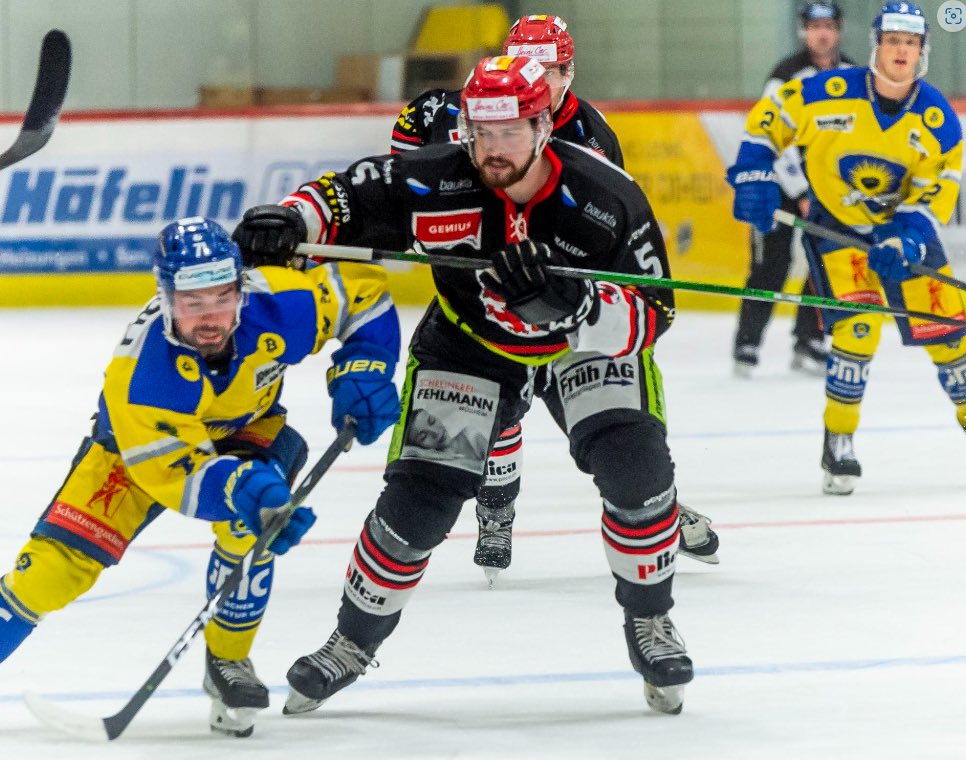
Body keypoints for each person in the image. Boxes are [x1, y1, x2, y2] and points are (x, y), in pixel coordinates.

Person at [234, 55, 696, 715]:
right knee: (418, 505)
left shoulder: (606, 196)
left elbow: (657, 313)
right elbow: (346, 194)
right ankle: (351, 643)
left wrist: (572, 309)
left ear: (543, 126)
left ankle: (650, 619)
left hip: (579, 347)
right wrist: (291, 222)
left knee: (637, 472)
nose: (493, 148)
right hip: (469, 344)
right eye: (481, 131)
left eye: (510, 131)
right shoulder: (434, 178)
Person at [0, 217, 401, 737]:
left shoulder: (279, 304)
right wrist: (242, 489)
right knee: (50, 573)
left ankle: (227, 663)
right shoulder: (140, 377)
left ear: (242, 286)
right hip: (138, 450)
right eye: (192, 303)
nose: (210, 317)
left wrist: (365, 366)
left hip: (248, 426)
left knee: (248, 531)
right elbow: (178, 475)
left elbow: (362, 296)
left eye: (222, 296)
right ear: (165, 297)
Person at [390, 13, 718, 576]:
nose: (543, 81)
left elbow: (610, 235)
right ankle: (496, 514)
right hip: (479, 300)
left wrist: (571, 296)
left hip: (558, 303)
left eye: (554, 70)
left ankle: (655, 509)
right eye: (531, 67)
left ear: (571, 70)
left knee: (605, 424)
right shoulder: (459, 108)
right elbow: (409, 158)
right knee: (483, 409)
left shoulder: (591, 136)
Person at [727, 2, 965, 495]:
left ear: (923, 51)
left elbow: (940, 186)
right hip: (839, 231)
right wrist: (754, 170)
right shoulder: (827, 91)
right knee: (857, 332)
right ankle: (839, 440)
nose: (902, 51)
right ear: (877, 45)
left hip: (903, 236)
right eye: (894, 41)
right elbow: (768, 119)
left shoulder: (938, 117)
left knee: (951, 337)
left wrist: (907, 236)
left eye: (912, 43)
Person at [733, 1, 855, 377]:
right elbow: (773, 136)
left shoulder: (853, 74)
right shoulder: (785, 75)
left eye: (829, 26)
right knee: (773, 262)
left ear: (838, 29)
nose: (822, 33)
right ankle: (747, 343)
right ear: (804, 30)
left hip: (830, 189)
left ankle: (809, 339)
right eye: (815, 26)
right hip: (782, 185)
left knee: (826, 263)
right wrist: (801, 190)